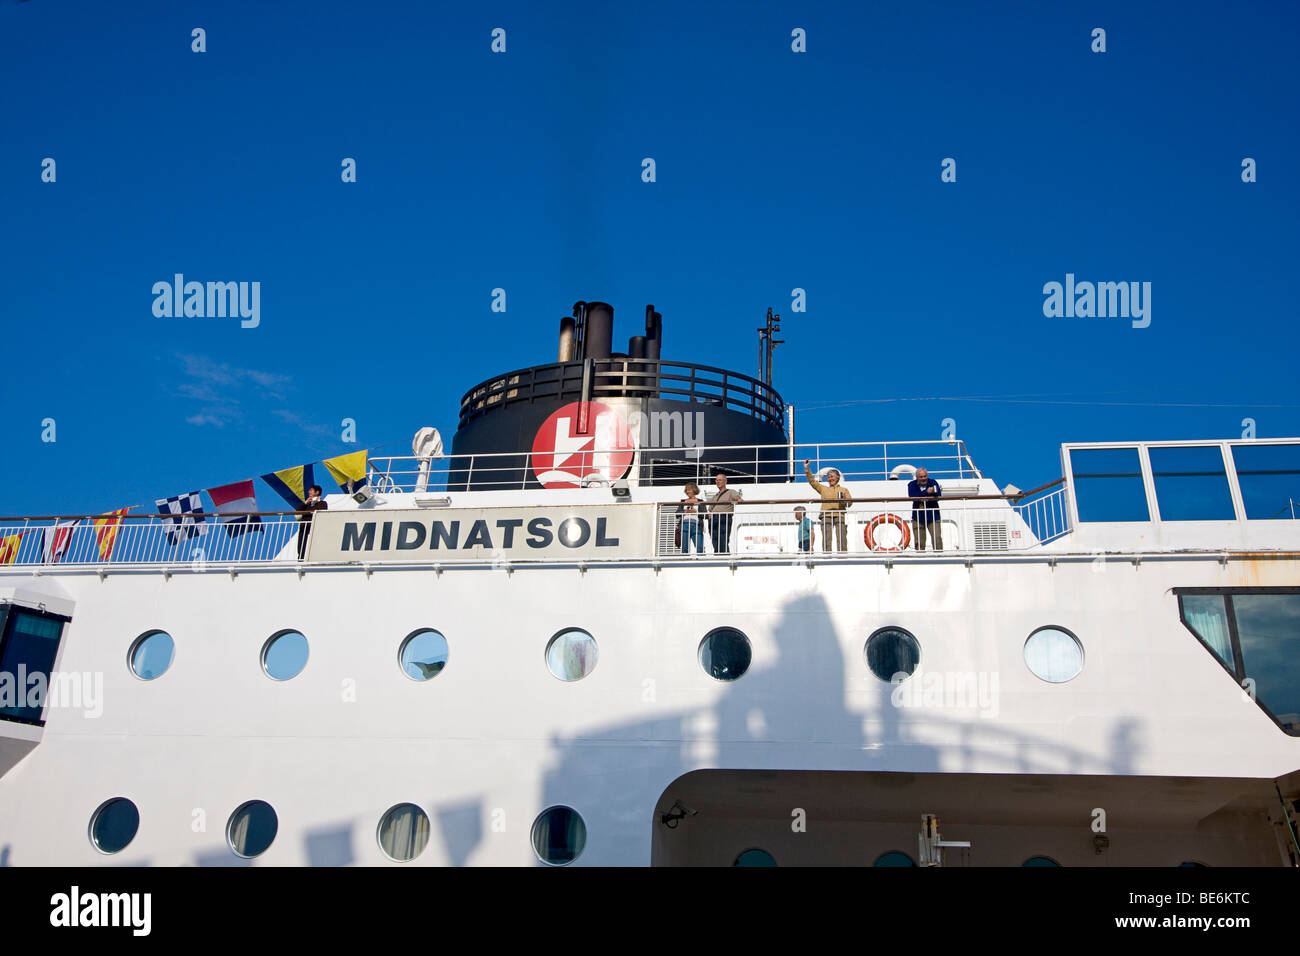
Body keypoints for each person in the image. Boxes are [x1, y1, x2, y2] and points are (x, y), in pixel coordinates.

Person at [803, 459, 852, 552]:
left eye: (832, 476)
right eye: (828, 477)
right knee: (826, 537)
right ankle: (827, 555)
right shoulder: (823, 489)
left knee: (842, 536)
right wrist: (806, 469)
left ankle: (842, 556)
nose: (830, 479)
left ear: (837, 478)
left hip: (839, 514)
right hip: (826, 515)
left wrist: (845, 499)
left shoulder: (844, 490)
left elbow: (849, 504)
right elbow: (812, 482)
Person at [907, 467, 943, 551]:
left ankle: (940, 557)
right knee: (919, 541)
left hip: (933, 516)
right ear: (917, 477)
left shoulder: (933, 482)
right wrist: (926, 492)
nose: (923, 478)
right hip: (918, 517)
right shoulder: (912, 484)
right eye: (921, 477)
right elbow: (912, 496)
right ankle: (920, 558)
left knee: (937, 538)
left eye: (925, 476)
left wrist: (921, 496)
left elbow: (938, 494)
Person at [708, 472, 743, 555]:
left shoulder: (731, 492)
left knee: (723, 538)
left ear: (725, 481)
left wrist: (739, 499)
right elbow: (710, 508)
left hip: (724, 517)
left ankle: (724, 555)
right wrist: (710, 515)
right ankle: (718, 555)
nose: (717, 482)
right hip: (713, 518)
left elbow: (738, 498)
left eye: (720, 480)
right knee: (714, 538)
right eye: (716, 480)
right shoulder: (715, 495)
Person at [296, 485, 328, 559]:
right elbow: (297, 511)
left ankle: (314, 556)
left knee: (314, 542)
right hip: (304, 525)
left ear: (317, 492)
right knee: (301, 542)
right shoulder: (307, 505)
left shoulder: (322, 503)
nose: (309, 492)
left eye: (311, 490)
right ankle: (301, 557)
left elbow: (323, 510)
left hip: (315, 525)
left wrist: (318, 501)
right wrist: (306, 502)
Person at [677, 482, 706, 555]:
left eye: (689, 489)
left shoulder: (700, 501)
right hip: (685, 525)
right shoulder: (683, 501)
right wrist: (685, 511)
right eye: (686, 490)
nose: (687, 491)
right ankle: (684, 563)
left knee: (700, 547)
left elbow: (705, 515)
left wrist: (696, 511)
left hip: (696, 525)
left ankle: (701, 562)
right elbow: (677, 514)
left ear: (694, 490)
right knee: (684, 548)